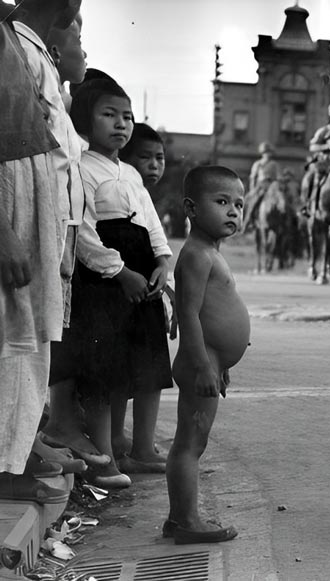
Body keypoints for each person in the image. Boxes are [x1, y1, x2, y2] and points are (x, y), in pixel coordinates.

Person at [51, 79, 173, 489]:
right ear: (85, 120)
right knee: (105, 370)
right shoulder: (81, 168)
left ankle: (142, 448)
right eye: (109, 115)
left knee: (147, 361)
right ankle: (103, 454)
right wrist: (119, 272)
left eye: (127, 117)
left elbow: (151, 222)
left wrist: (162, 261)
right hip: (105, 282)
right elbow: (82, 233)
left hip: (143, 278)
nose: (121, 125)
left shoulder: (132, 174)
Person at [16, 5, 118, 472]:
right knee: (26, 338)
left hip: (57, 226)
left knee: (41, 337)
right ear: (57, 45)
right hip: (32, 219)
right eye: (80, 40)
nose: (85, 49)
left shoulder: (56, 83)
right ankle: (15, 452)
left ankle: (24, 442)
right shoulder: (24, 53)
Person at [0, 0, 76, 505]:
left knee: (29, 337)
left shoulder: (9, 32)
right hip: (11, 196)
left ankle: (16, 449)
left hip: (33, 189)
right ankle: (6, 462)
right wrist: (4, 234)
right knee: (14, 337)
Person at [164, 165, 249, 545]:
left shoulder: (211, 251)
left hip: (209, 359)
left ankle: (180, 518)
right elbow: (188, 314)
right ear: (191, 208)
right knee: (190, 443)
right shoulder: (197, 255)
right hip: (199, 361)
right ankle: (185, 521)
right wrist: (202, 363)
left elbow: (213, 315)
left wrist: (220, 362)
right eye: (222, 202)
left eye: (239, 204)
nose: (233, 211)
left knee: (194, 441)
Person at [111, 122, 172, 472]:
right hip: (121, 286)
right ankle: (118, 439)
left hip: (149, 288)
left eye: (160, 158)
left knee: (152, 370)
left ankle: (144, 446)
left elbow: (160, 244)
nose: (154, 165)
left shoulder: (144, 194)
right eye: (145, 157)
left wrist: (167, 279)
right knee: (118, 371)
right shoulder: (120, 186)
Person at [241, 141, 279, 233]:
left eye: (269, 152)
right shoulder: (257, 164)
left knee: (282, 200)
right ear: (262, 153)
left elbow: (278, 176)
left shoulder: (274, 164)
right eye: (265, 152)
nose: (267, 154)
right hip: (260, 185)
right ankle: (247, 222)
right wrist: (252, 189)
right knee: (253, 202)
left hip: (272, 186)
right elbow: (253, 177)